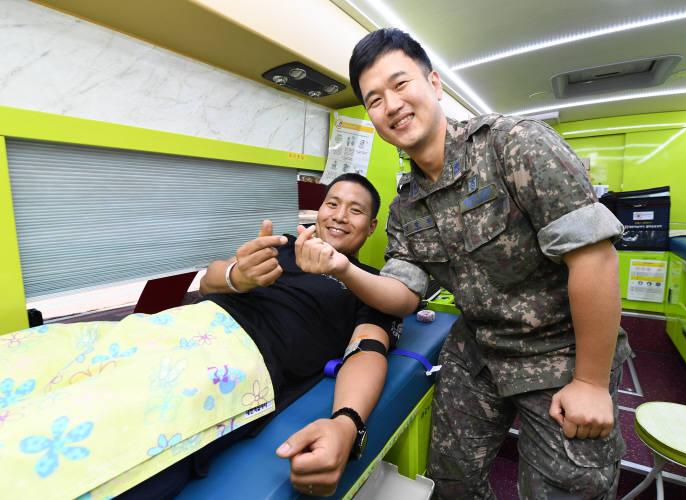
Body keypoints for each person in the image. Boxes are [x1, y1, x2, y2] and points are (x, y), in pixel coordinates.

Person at [294, 29, 631, 499]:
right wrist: (341, 267)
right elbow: (403, 296)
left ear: (433, 83)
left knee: (569, 490)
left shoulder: (514, 145)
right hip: (478, 349)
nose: (391, 105)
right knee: (449, 484)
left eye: (400, 84)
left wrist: (591, 383)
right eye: (374, 100)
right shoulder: (405, 207)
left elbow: (594, 259)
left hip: (561, 350)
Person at [0, 173, 400, 500]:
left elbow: (367, 349)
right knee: (35, 357)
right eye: (332, 203)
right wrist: (237, 276)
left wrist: (347, 423)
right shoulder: (283, 244)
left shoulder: (369, 285)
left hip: (231, 362)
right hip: (175, 324)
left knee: (74, 435)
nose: (339, 216)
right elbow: (210, 281)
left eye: (355, 210)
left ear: (371, 227)